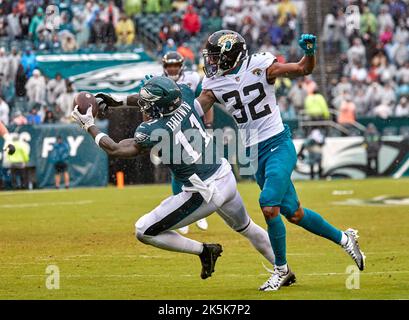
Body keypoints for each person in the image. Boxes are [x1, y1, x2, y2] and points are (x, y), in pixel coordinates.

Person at [194, 30, 365, 291]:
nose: (213, 62)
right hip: (252, 153)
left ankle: (281, 270)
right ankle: (345, 239)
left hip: (277, 144)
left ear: (232, 55)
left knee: (268, 205)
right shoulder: (215, 83)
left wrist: (309, 53)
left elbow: (302, 69)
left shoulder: (260, 65)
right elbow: (195, 109)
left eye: (218, 56)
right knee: (294, 214)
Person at [76, 76, 276, 282]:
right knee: (248, 227)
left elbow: (116, 148)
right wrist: (117, 100)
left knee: (143, 230)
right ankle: (283, 269)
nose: (143, 105)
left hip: (203, 192)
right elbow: (146, 102)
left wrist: (89, 125)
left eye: (149, 103)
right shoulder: (185, 95)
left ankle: (204, 251)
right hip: (224, 175)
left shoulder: (152, 129)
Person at [162, 51, 207, 234]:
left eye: (175, 65)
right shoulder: (158, 80)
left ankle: (200, 210)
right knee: (177, 170)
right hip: (170, 129)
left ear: (181, 65)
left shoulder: (193, 78)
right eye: (169, 65)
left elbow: (205, 99)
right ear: (164, 67)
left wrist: (207, 124)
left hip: (191, 127)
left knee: (200, 168)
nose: (172, 68)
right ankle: (181, 212)